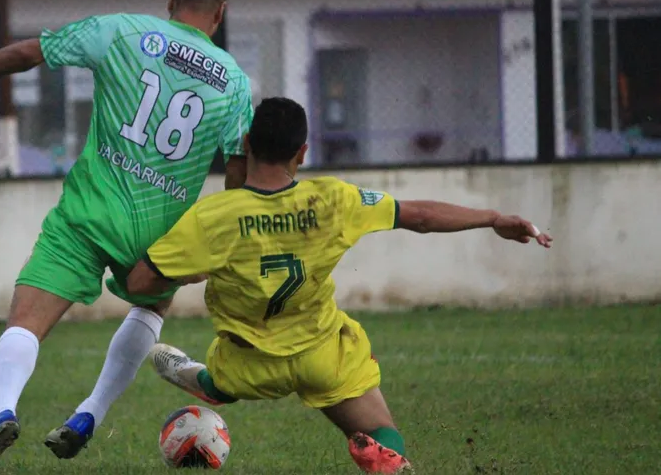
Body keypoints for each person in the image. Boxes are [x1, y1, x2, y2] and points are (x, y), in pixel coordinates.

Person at [0, 0, 253, 473]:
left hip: (87, 214)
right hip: (158, 233)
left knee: (26, 322)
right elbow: (238, 177)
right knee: (152, 306)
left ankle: (1, 412)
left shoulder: (121, 32)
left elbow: (35, 50)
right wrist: (217, 246)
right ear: (220, 14)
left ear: (170, 0)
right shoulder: (234, 82)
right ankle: (90, 413)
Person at [125, 97, 553, 474]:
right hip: (322, 351)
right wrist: (493, 218)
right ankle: (388, 462)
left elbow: (141, 283)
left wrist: (184, 270)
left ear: (248, 145)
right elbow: (418, 216)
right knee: (383, 430)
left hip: (250, 359)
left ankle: (186, 371)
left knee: (220, 385)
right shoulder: (332, 199)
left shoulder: (212, 216)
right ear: (303, 153)